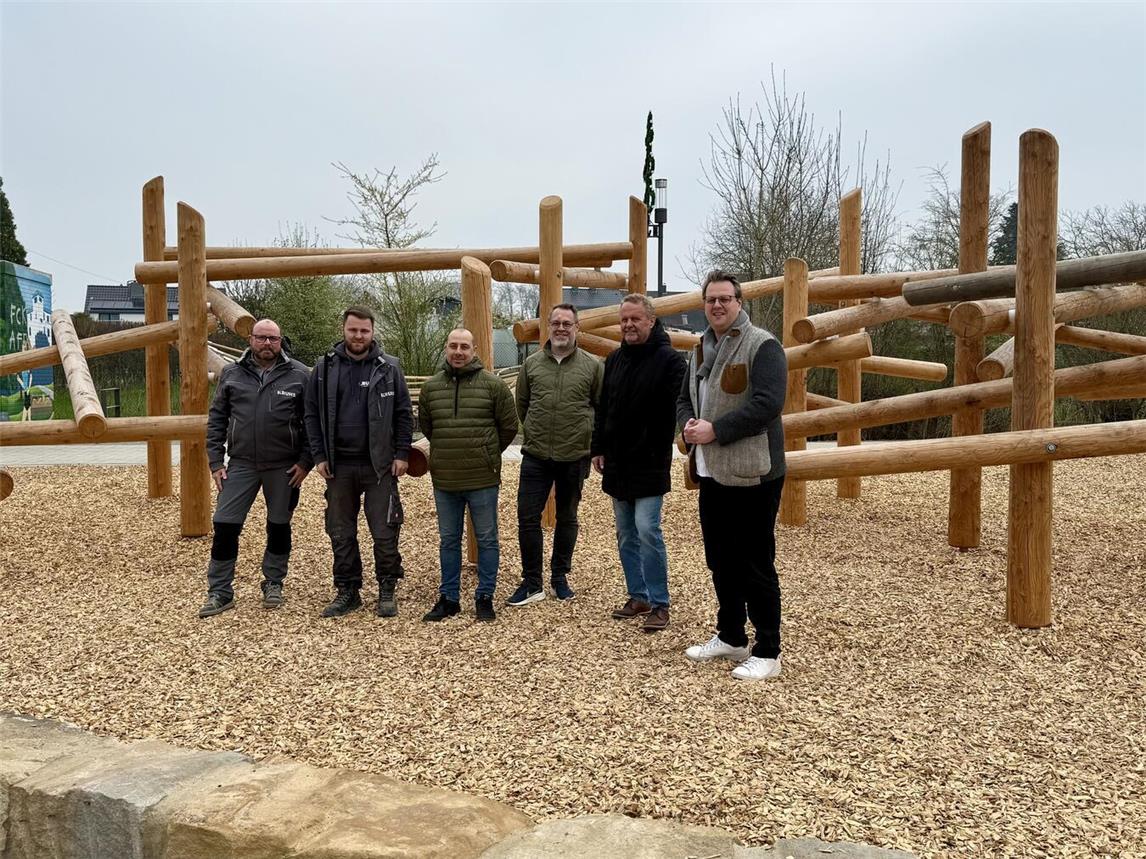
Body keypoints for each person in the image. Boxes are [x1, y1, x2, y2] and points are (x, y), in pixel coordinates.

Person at [677, 270, 788, 681]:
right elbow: (684, 399)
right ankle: (731, 635)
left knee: (755, 562)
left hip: (754, 473)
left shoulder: (763, 345)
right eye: (711, 299)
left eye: (725, 298)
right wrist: (688, 425)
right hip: (711, 472)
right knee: (721, 559)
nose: (717, 305)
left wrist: (716, 430)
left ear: (739, 302)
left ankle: (768, 651)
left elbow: (768, 404)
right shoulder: (699, 349)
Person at [304, 306, 413, 619]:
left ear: (372, 332)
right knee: (340, 531)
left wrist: (402, 453)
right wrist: (319, 456)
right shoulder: (324, 368)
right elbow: (311, 414)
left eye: (364, 331)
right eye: (353, 330)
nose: (358, 336)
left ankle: (387, 587)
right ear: (343, 330)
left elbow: (404, 414)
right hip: (338, 465)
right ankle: (347, 590)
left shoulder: (389, 367)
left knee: (385, 530)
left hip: (379, 466)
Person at [198, 318, 312, 618]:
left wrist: (305, 462)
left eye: (273, 339)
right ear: (250, 340)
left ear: (281, 341)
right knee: (225, 525)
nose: (267, 344)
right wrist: (215, 461)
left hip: (284, 467)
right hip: (241, 464)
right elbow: (217, 419)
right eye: (261, 338)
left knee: (279, 525)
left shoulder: (299, 374)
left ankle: (273, 582)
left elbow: (312, 424)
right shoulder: (232, 373)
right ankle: (220, 591)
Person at [591, 294, 687, 633]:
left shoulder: (670, 361)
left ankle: (660, 603)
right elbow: (603, 409)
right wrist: (598, 447)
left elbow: (679, 407)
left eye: (635, 319)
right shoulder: (615, 359)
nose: (628, 325)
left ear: (651, 320)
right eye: (624, 320)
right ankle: (638, 595)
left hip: (650, 461)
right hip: (618, 461)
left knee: (647, 529)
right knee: (625, 533)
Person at [418, 328, 518, 622]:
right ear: (446, 348)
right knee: (449, 540)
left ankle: (485, 596)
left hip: (482, 479)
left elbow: (509, 427)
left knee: (487, 539)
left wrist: (488, 453)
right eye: (453, 346)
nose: (458, 352)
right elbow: (428, 427)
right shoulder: (431, 388)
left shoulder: (493, 386)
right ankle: (449, 597)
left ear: (474, 350)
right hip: (445, 479)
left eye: (464, 346)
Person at [506, 303, 604, 606]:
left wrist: (591, 443)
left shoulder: (592, 366)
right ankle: (532, 581)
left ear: (577, 328)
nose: (561, 328)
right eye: (556, 323)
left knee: (567, 517)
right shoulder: (532, 364)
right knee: (527, 518)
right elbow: (523, 404)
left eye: (567, 323)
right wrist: (536, 430)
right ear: (548, 327)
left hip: (574, 454)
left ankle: (559, 577)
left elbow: (600, 407)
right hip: (536, 455)